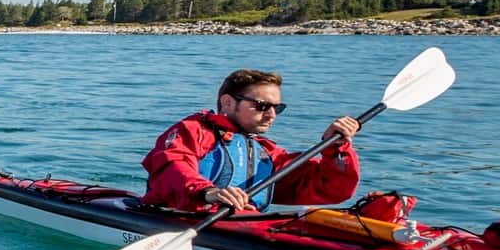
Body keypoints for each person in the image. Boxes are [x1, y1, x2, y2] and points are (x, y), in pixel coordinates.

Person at [143, 68, 361, 213]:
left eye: (277, 108)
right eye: (262, 106)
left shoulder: (265, 153)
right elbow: (172, 167)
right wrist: (209, 193)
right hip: (180, 217)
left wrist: (335, 148)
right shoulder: (193, 131)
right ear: (228, 103)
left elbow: (332, 188)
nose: (272, 115)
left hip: (242, 224)